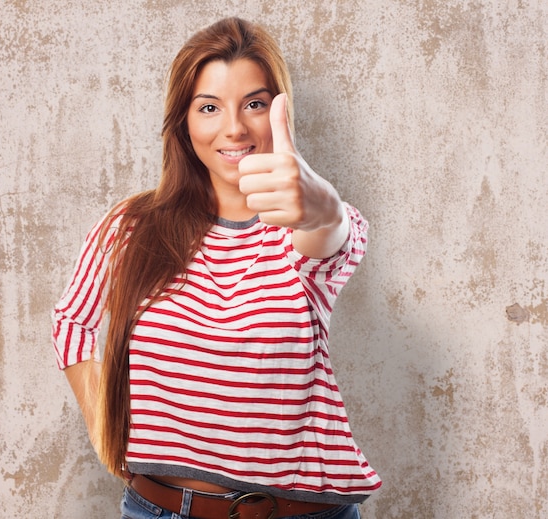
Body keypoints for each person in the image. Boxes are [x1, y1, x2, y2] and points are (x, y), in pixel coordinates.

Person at [52, 16, 381, 519]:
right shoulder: (132, 226)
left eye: (255, 103)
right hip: (157, 508)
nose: (235, 128)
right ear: (183, 122)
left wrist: (324, 206)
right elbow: (71, 322)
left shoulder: (304, 230)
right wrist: (108, 427)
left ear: (279, 111)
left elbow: (331, 231)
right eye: (209, 107)